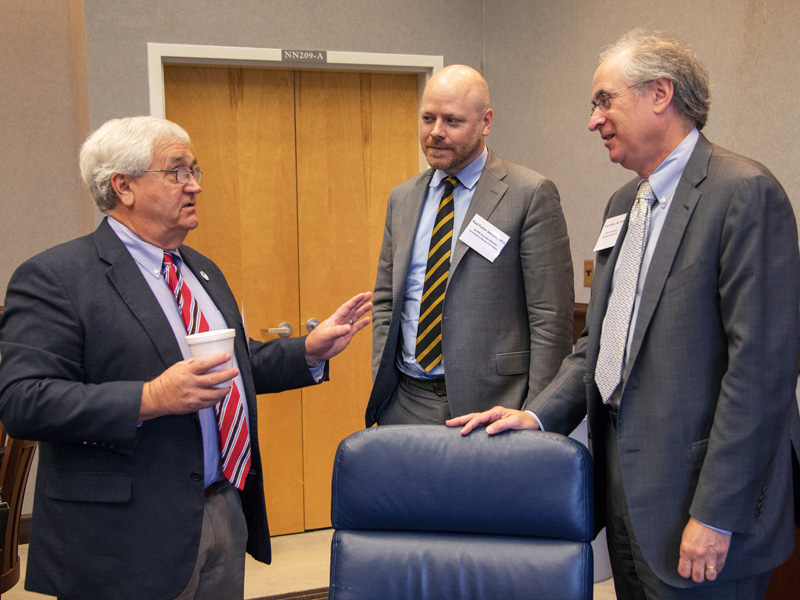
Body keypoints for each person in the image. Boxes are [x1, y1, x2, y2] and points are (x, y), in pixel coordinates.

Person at [449, 29, 800, 600]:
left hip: (704, 505)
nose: (594, 120)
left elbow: (760, 374)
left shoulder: (744, 193)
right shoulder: (624, 204)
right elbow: (601, 344)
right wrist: (537, 417)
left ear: (660, 94)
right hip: (625, 494)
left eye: (604, 100)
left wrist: (716, 515)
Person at [0, 116, 372, 600]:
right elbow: (24, 402)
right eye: (176, 171)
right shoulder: (56, 277)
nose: (194, 185)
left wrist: (307, 351)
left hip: (221, 510)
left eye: (194, 170)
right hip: (122, 537)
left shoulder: (201, 270)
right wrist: (149, 398)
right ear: (124, 186)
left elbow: (229, 368)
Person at [365, 64, 574, 426]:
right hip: (405, 402)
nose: (435, 133)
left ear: (485, 122)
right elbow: (386, 301)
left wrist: (535, 415)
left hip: (493, 406)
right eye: (427, 118)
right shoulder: (403, 198)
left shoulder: (529, 194)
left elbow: (550, 319)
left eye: (452, 121)